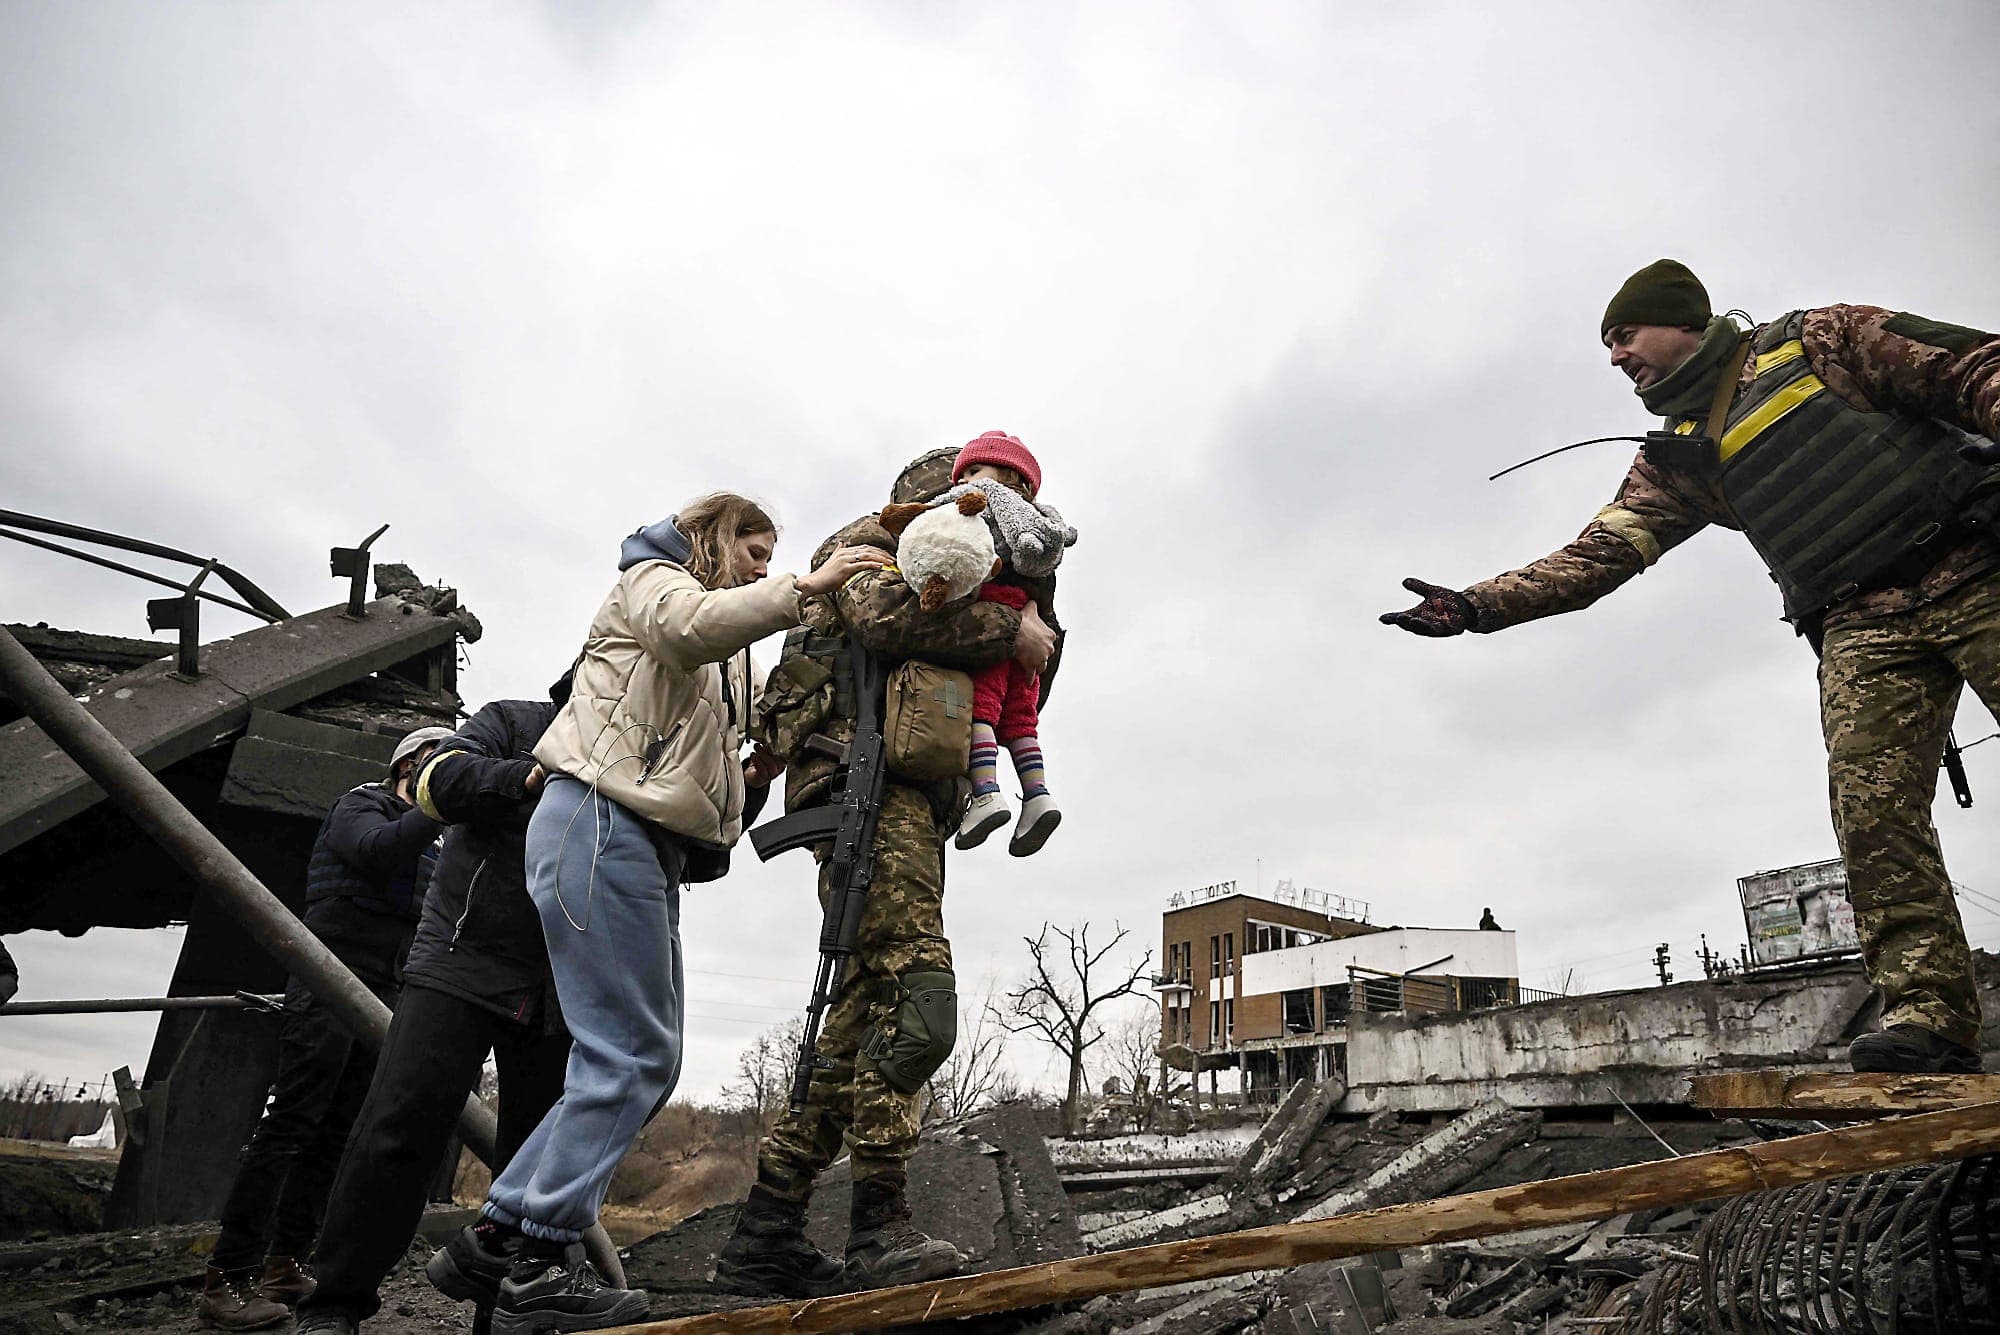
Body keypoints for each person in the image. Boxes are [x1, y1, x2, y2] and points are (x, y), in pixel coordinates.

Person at [1382, 258, 2000, 1076]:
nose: (1615, 358)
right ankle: (1930, 1014)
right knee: (1873, 816)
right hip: (1861, 625)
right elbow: (1597, 555)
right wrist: (1477, 605)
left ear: (1683, 321)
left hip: (1976, 565)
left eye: (1624, 336)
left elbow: (1971, 370)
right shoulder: (1679, 457)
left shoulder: (1818, 340)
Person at [428, 495, 888, 1335]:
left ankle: (497, 1238)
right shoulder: (651, 581)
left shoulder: (728, 657)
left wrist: (770, 758)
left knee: (648, 1057)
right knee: (630, 1051)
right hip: (599, 821)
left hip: (643, 843)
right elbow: (687, 627)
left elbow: (720, 757)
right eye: (753, 550)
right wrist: (804, 585)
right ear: (712, 539)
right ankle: (529, 1261)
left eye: (772, 555)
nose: (762, 565)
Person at [714, 447, 1061, 1298]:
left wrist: (1026, 619)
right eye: (985, 492)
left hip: (914, 803)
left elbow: (1025, 677)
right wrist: (1006, 627)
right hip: (858, 786)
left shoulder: (992, 572)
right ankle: (879, 1225)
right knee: (921, 1002)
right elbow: (881, 620)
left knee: (856, 1024)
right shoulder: (871, 542)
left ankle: (767, 1227)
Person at [294, 682, 576, 1335]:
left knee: (537, 1161)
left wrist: (746, 784)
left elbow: (697, 853)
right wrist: (531, 775)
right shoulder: (513, 721)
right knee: (398, 1127)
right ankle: (334, 1300)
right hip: (463, 954)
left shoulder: (640, 749)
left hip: (568, 978)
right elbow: (441, 777)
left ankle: (508, 1315)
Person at [201, 726, 452, 1331]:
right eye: (444, 764)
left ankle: (285, 1263)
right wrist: (442, 807)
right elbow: (374, 851)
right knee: (293, 1120)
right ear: (411, 764)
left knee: (338, 1131)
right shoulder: (362, 804)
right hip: (330, 974)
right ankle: (227, 1278)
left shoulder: (436, 845)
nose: (453, 777)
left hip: (385, 989)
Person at [946, 431, 1076, 857]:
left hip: (994, 632)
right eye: (962, 473)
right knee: (1021, 722)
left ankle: (986, 791)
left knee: (978, 713)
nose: (962, 481)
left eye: (975, 470)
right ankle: (1038, 796)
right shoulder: (1044, 529)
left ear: (1008, 481)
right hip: (1029, 647)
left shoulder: (976, 513)